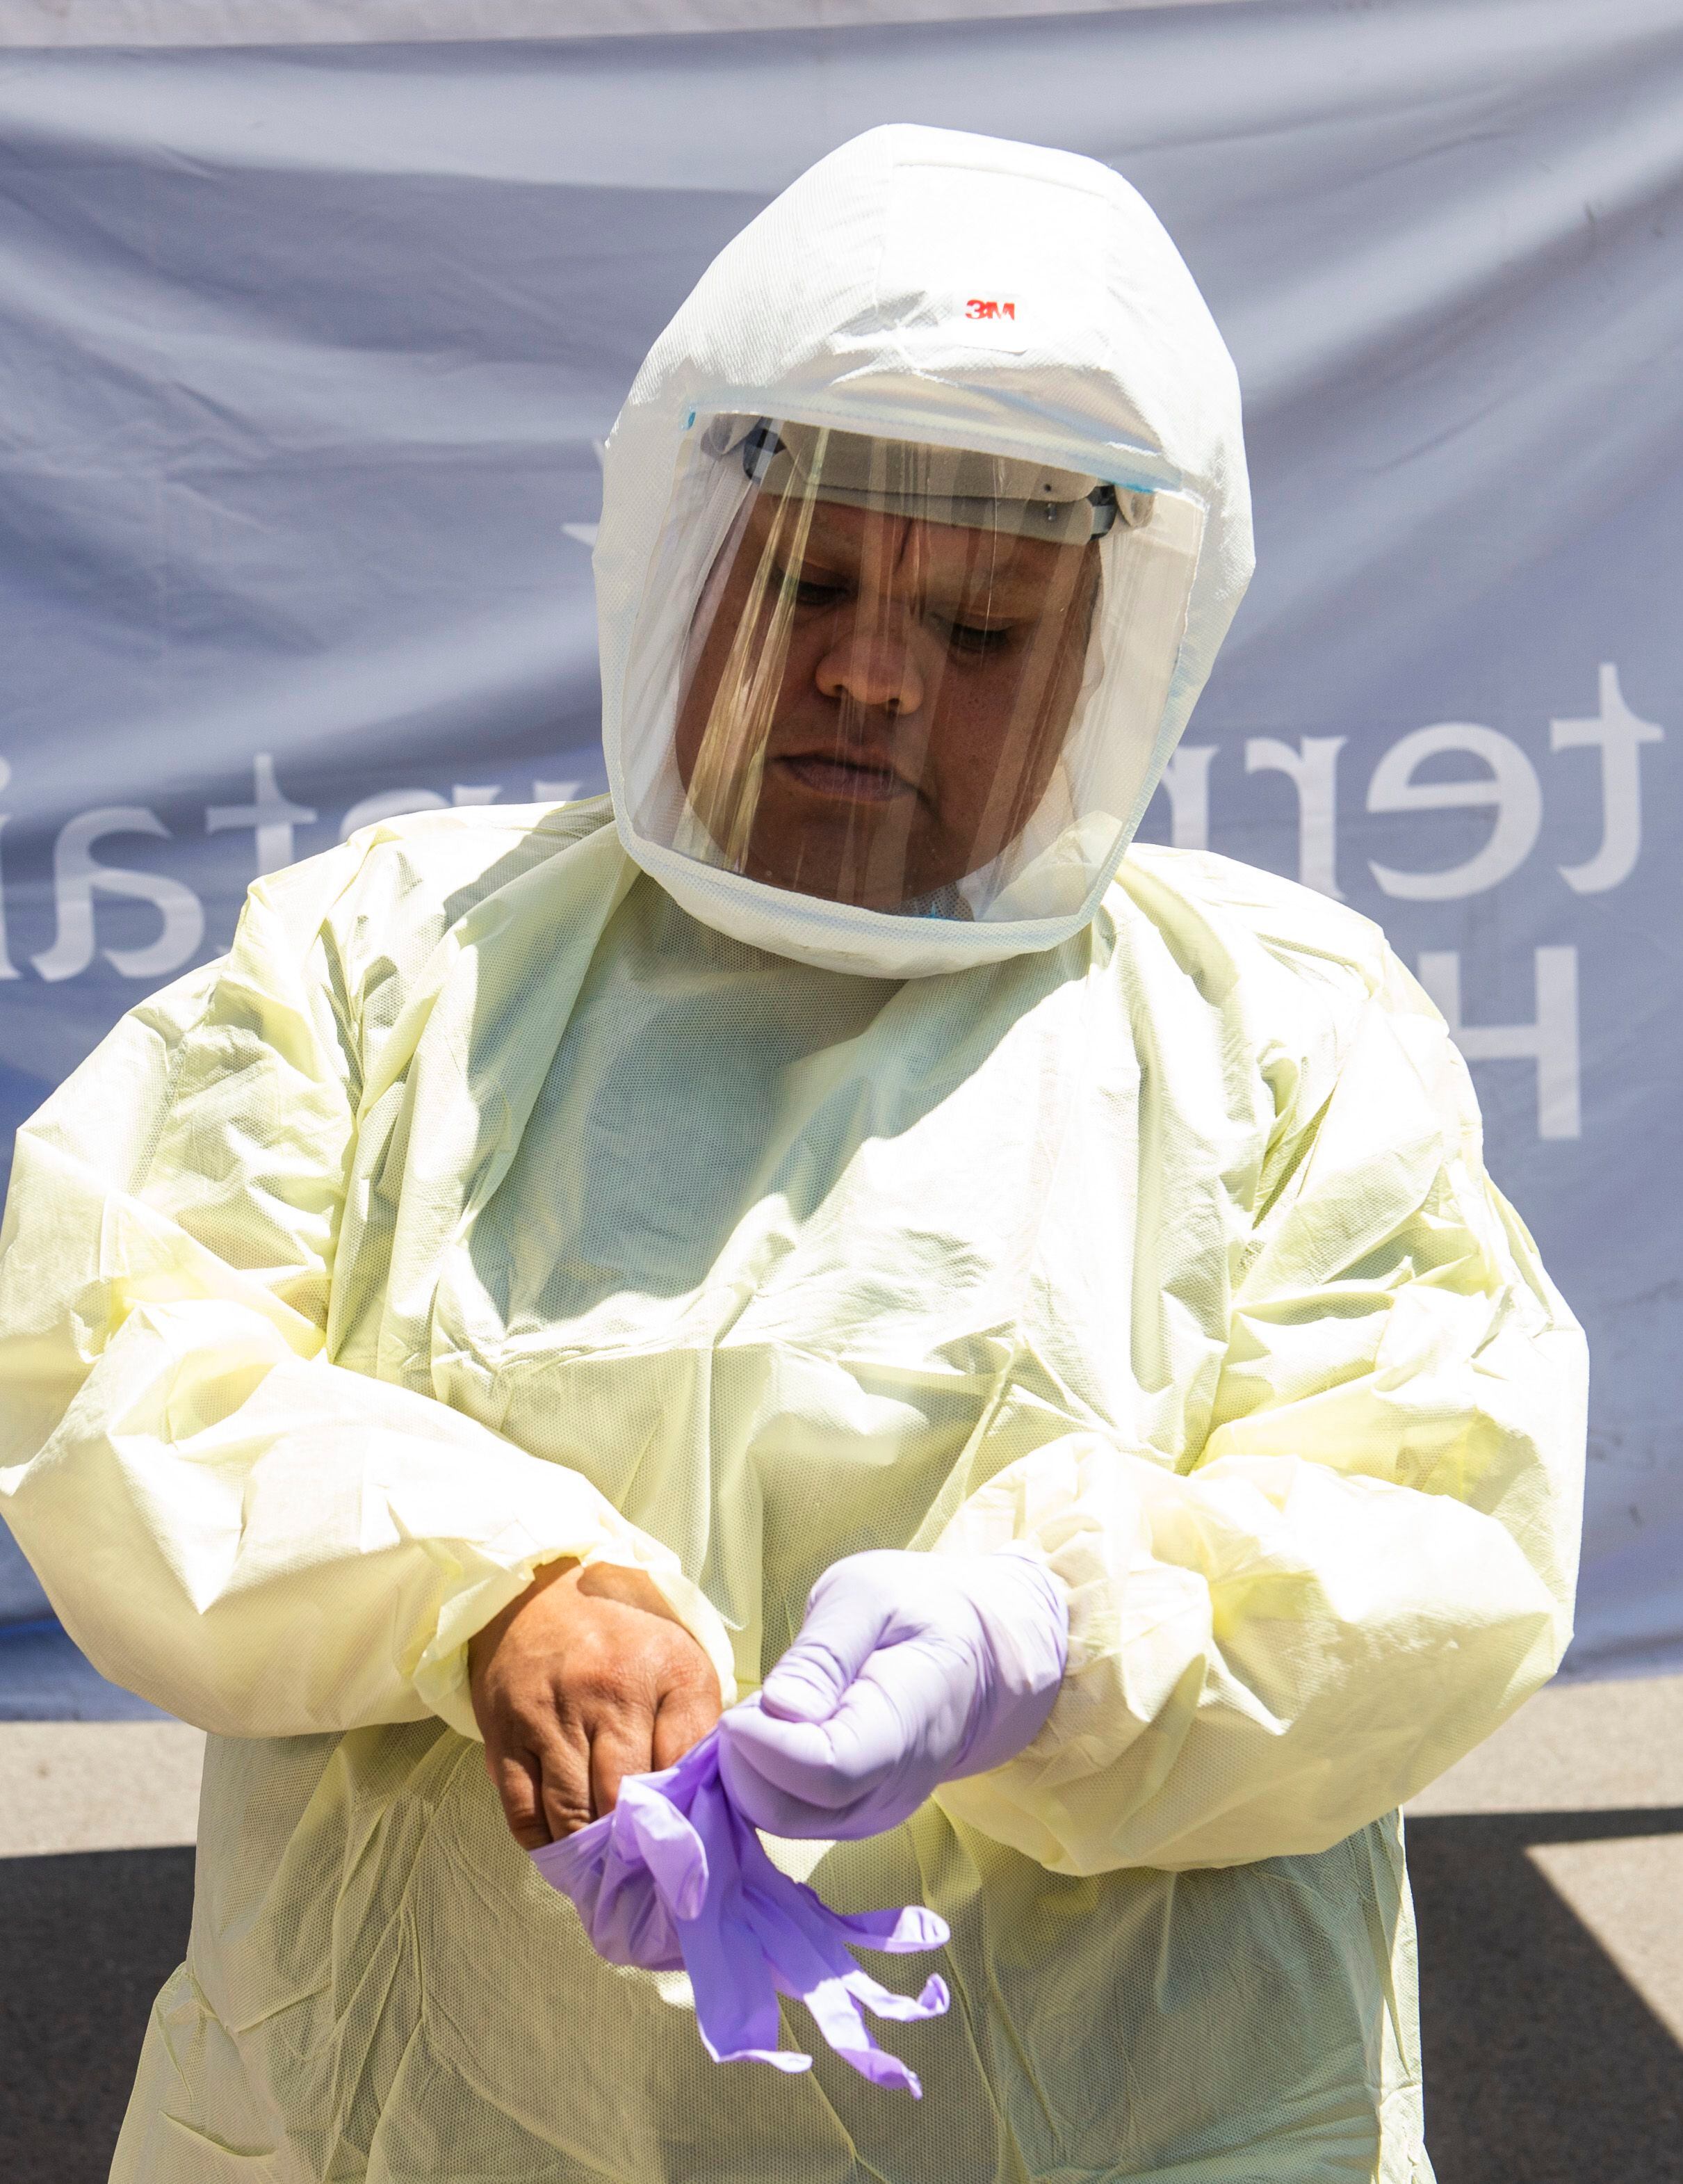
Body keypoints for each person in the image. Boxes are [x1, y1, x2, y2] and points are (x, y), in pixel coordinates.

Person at [0, 124, 1584, 2184]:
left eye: (984, 628)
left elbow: (1438, 1529)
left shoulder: (1283, 1028)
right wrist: (501, 1591)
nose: (867, 669)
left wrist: (1053, 1643)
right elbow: (114, 1374)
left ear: (1116, 650)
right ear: (682, 557)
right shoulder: (390, 958)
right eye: (811, 579)